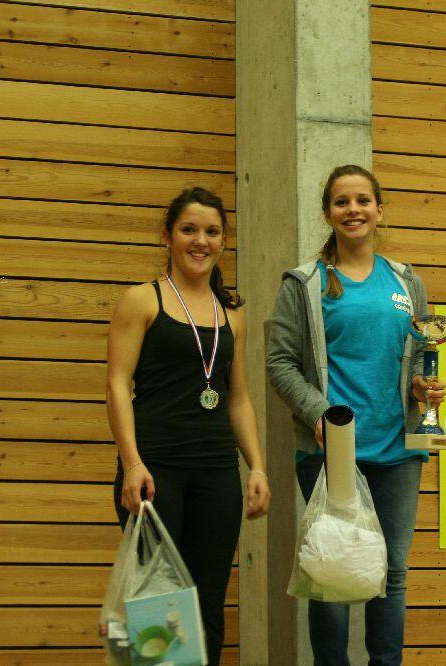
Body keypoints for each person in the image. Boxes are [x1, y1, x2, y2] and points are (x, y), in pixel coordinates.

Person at [267, 164, 445, 666]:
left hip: (397, 452)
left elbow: (418, 353)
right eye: (341, 202)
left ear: (379, 210)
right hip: (331, 451)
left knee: (393, 572)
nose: (353, 210)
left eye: (363, 200)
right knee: (332, 571)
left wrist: (422, 387)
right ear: (327, 213)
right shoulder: (304, 283)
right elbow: (279, 362)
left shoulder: (407, 281)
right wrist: (319, 414)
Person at [106, 186, 270, 666]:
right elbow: (117, 385)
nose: (201, 241)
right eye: (189, 230)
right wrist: (131, 463)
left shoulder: (233, 315)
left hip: (216, 474)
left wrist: (257, 467)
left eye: (212, 231)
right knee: (157, 603)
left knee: (207, 604)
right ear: (168, 236)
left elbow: (238, 398)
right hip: (154, 470)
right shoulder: (142, 300)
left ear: (223, 241)